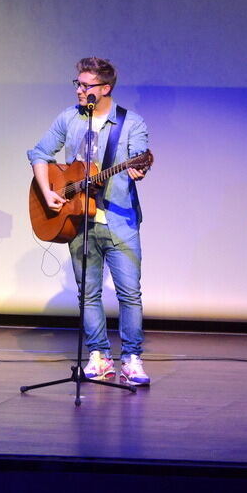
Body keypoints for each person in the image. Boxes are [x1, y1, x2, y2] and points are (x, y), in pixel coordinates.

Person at [27, 57, 151, 386]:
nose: (80, 90)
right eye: (77, 84)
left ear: (105, 88)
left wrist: (138, 166)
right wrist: (47, 190)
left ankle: (132, 358)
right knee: (88, 293)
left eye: (86, 85)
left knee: (129, 293)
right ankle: (98, 356)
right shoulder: (69, 118)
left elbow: (140, 155)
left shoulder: (131, 123)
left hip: (119, 220)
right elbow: (39, 153)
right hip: (79, 218)